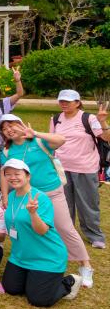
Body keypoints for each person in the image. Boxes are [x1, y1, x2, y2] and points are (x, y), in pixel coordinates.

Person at [0, 114, 94, 288]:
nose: (8, 130)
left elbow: (61, 140)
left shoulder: (39, 142)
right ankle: (34, 260)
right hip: (25, 196)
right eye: (4, 129)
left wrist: (35, 133)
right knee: (28, 228)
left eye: (11, 125)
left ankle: (85, 265)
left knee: (64, 227)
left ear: (20, 124)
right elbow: (4, 174)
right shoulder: (6, 151)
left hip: (51, 193)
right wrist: (5, 196)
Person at [0, 158, 83, 306]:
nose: (12, 177)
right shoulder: (12, 196)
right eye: (8, 174)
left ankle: (69, 282)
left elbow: (42, 230)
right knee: (11, 288)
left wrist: (33, 213)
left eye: (17, 174)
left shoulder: (41, 199)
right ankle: (35, 281)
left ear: (28, 176)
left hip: (46, 257)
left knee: (39, 300)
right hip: (20, 256)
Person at [50, 89, 108, 249]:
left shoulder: (88, 118)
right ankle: (65, 234)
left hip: (85, 168)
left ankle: (95, 235)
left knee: (87, 204)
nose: (64, 104)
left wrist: (103, 122)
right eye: (61, 100)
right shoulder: (55, 119)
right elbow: (52, 142)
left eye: (68, 101)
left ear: (77, 102)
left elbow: (107, 138)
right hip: (61, 169)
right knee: (64, 204)